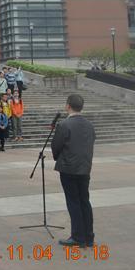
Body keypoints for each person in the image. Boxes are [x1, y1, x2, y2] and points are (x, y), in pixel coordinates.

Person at [52, 94, 96, 248]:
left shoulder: (64, 125)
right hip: (84, 168)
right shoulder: (89, 125)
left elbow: (56, 147)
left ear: (68, 106)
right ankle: (89, 237)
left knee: (73, 202)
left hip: (69, 168)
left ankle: (78, 237)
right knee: (84, 201)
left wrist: (58, 157)